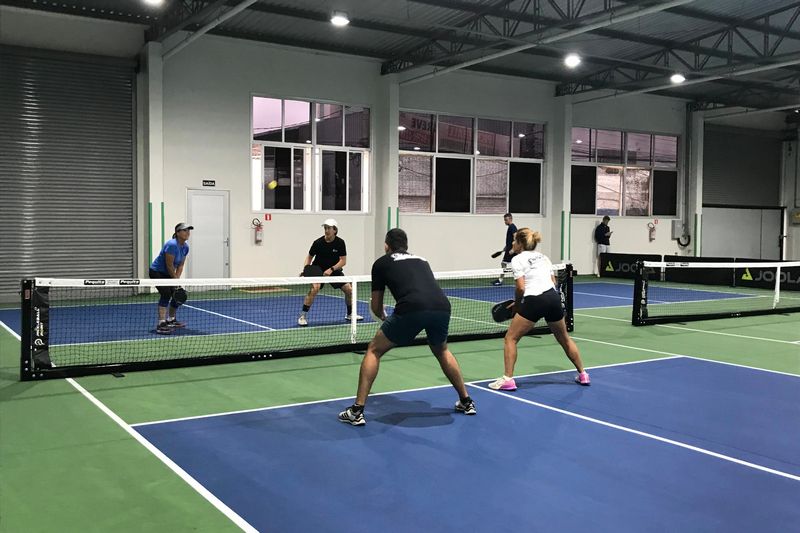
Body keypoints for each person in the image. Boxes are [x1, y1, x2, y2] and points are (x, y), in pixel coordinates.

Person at [338, 228, 477, 426]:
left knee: (374, 350)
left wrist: (385, 318)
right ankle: (466, 401)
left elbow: (376, 307)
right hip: (442, 306)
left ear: (387, 245)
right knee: (442, 350)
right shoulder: (422, 260)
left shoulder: (381, 263)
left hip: (411, 308)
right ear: (406, 245)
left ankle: (357, 411)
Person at [488, 228, 590, 391]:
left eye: (514, 240)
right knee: (564, 338)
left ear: (520, 243)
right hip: (553, 298)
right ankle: (583, 374)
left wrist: (518, 305)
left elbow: (521, 288)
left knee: (511, 338)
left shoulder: (517, 260)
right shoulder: (544, 257)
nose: (512, 243)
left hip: (534, 300)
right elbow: (553, 281)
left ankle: (508, 379)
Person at [298, 218, 364, 326]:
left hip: (334, 270)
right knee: (315, 288)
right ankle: (302, 316)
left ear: (335, 230)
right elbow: (309, 257)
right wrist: (306, 269)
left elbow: (343, 261)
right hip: (318, 270)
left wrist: (332, 269)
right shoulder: (318, 243)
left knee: (349, 289)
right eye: (325, 228)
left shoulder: (340, 243)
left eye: (329, 228)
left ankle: (350, 314)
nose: (326, 230)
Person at [149, 222, 193, 335]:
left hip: (169, 273)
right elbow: (169, 265)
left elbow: (180, 265)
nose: (188, 232)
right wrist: (174, 280)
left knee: (178, 295)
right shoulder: (172, 245)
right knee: (166, 294)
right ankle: (161, 324)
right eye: (185, 230)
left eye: (189, 230)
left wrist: (176, 281)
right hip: (157, 272)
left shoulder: (186, 247)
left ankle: (171, 319)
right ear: (177, 233)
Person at [492, 213, 517, 286]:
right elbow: (511, 240)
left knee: (504, 264)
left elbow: (516, 238)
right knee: (505, 264)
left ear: (510, 219)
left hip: (511, 251)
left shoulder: (512, 227)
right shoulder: (510, 227)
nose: (505, 222)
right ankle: (500, 280)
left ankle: (500, 280)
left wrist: (513, 249)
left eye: (506, 220)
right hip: (509, 249)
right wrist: (506, 247)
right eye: (504, 220)